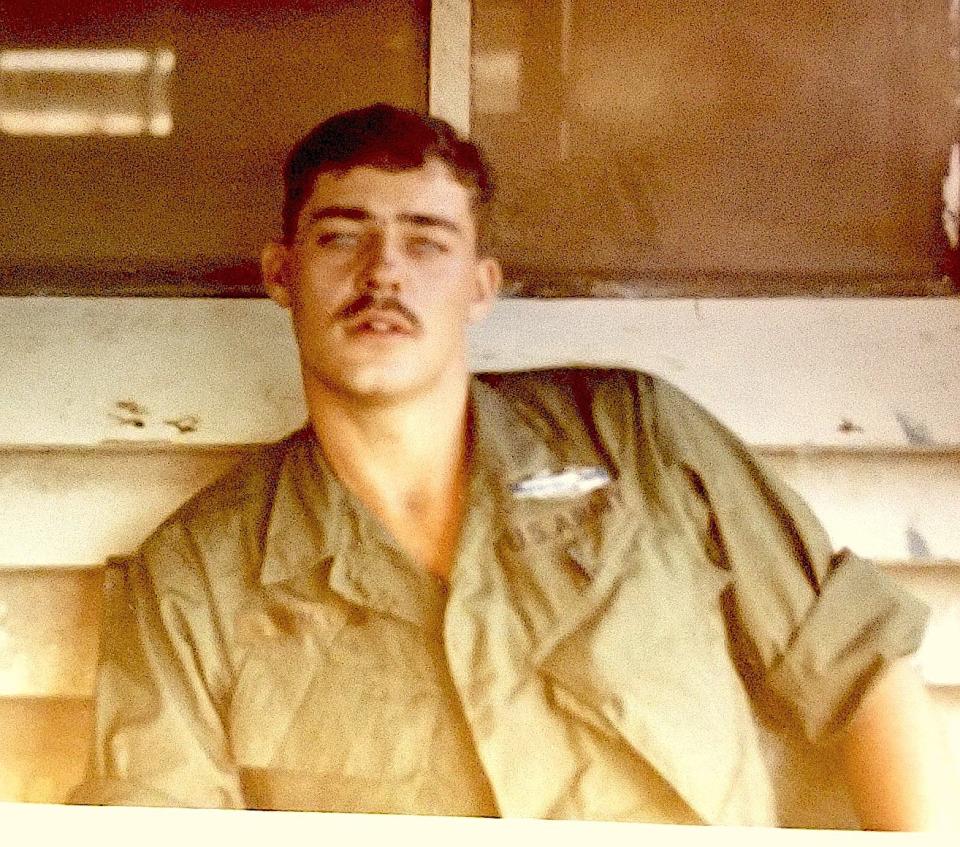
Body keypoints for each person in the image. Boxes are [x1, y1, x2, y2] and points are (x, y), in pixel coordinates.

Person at [72, 104, 957, 829]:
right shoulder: (197, 575)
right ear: (281, 272)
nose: (384, 273)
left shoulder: (638, 440)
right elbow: (153, 823)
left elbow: (865, 672)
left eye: (427, 241)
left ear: (481, 287)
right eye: (343, 237)